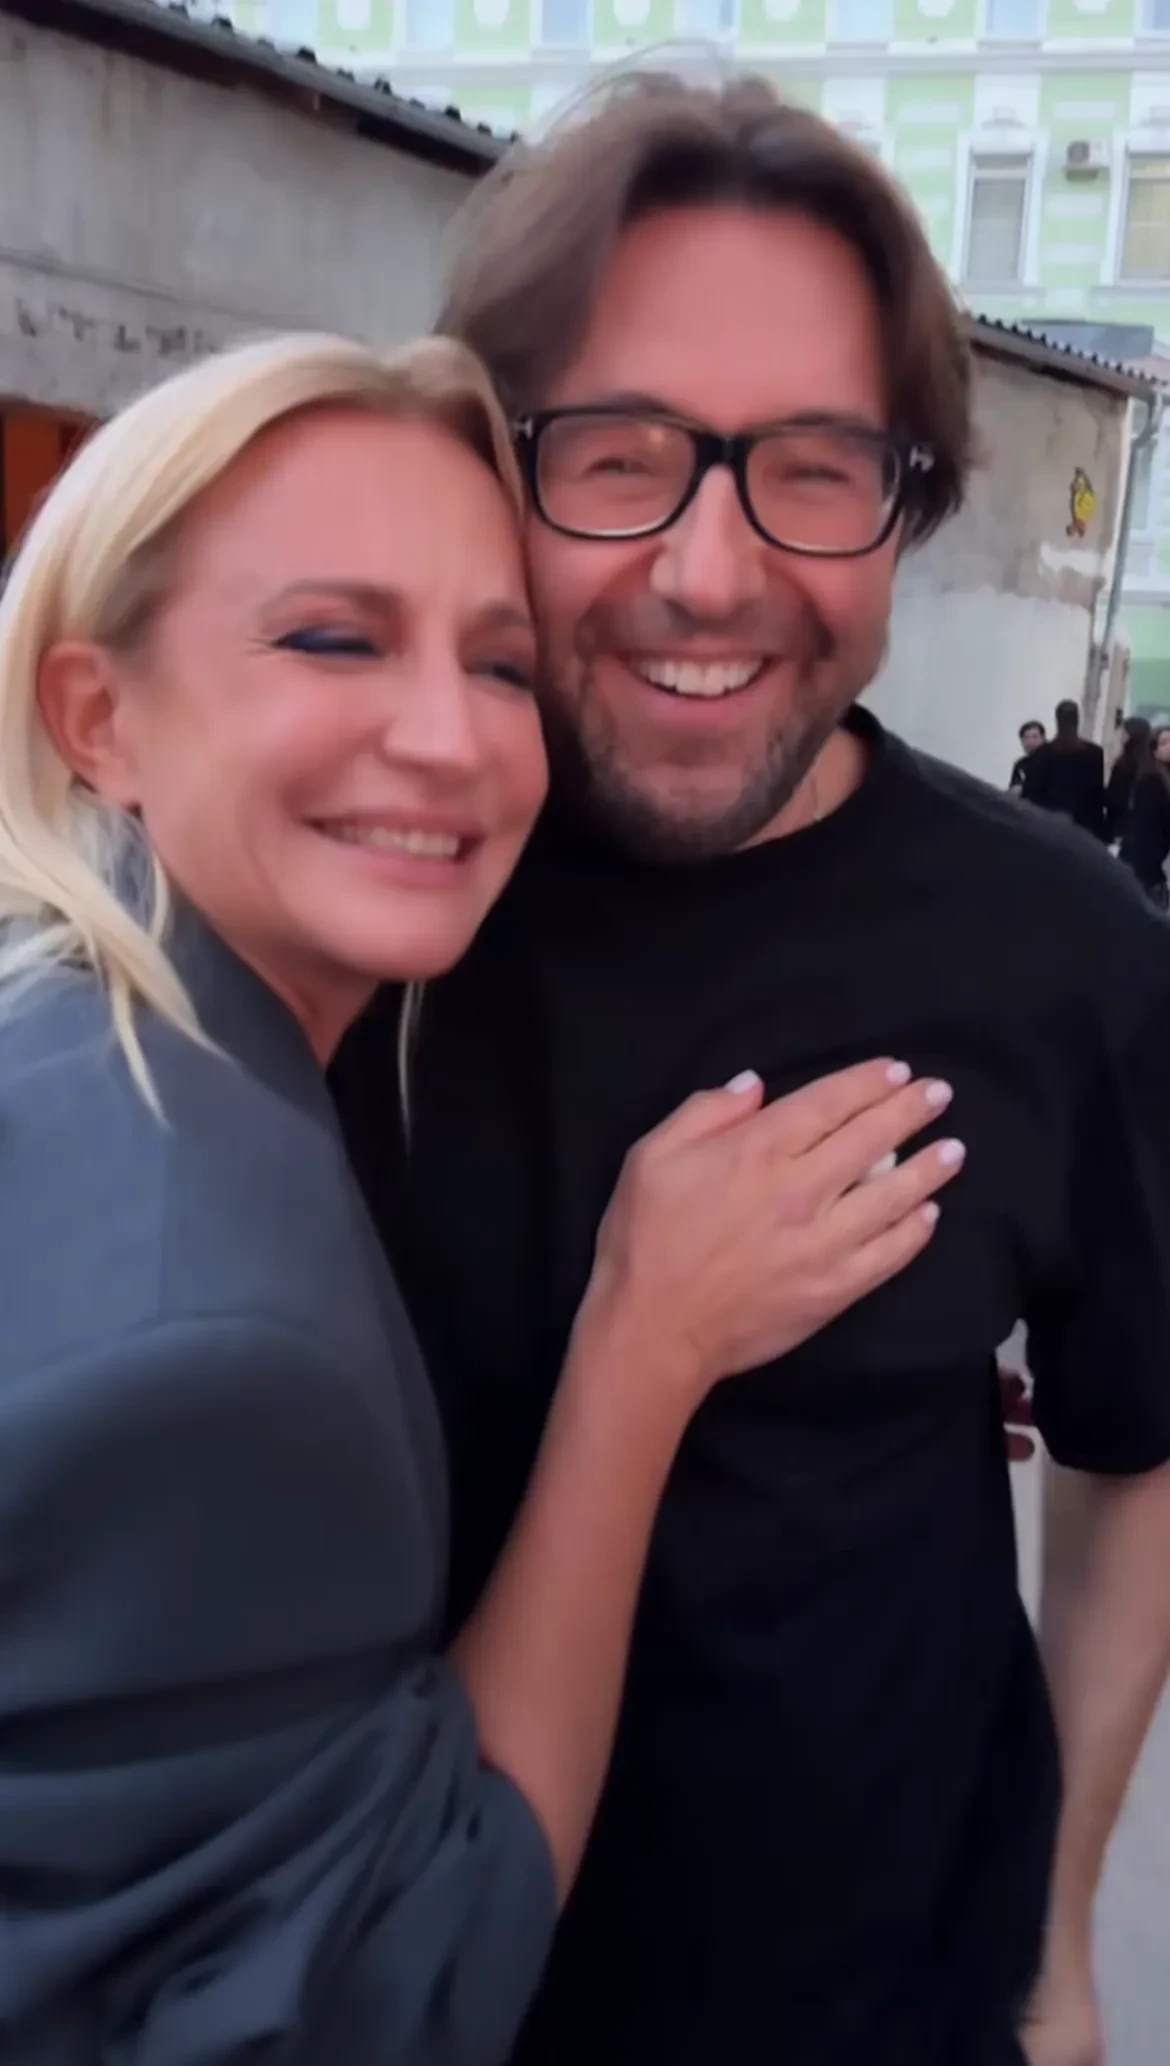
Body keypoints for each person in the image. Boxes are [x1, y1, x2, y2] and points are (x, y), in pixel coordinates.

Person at [0, 332, 963, 2065]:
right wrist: (644, 1349)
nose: (449, 740)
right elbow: (407, 1978)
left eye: (501, 662)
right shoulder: (209, 1347)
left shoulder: (73, 1033)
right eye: (332, 638)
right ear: (98, 715)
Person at [332, 74, 1170, 2066]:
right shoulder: (351, 900)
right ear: (495, 465)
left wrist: (1058, 1933)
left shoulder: (1065, 955)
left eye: (814, 468)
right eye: (618, 456)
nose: (709, 573)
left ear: (909, 504)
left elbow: (1132, 1452)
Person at [1020, 697, 1106, 839]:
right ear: (1077, 721)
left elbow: (1032, 794)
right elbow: (1097, 795)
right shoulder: (1094, 753)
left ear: (1057, 720)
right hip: (1084, 829)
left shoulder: (1043, 754)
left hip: (1048, 827)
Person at [1120, 723, 1170, 907]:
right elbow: (1146, 827)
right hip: (1145, 862)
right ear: (1154, 749)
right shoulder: (1151, 780)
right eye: (1164, 742)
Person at [1107, 713, 1152, 846]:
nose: (1121, 736)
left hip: (1120, 829)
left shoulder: (1124, 766)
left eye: (1124, 733)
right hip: (1143, 833)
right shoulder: (1151, 766)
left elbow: (1114, 799)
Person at [1008, 718, 1045, 795]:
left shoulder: (1055, 760)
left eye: (1035, 737)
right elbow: (1013, 790)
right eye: (1026, 738)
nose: (1030, 741)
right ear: (1022, 742)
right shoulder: (1020, 765)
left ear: (1043, 739)